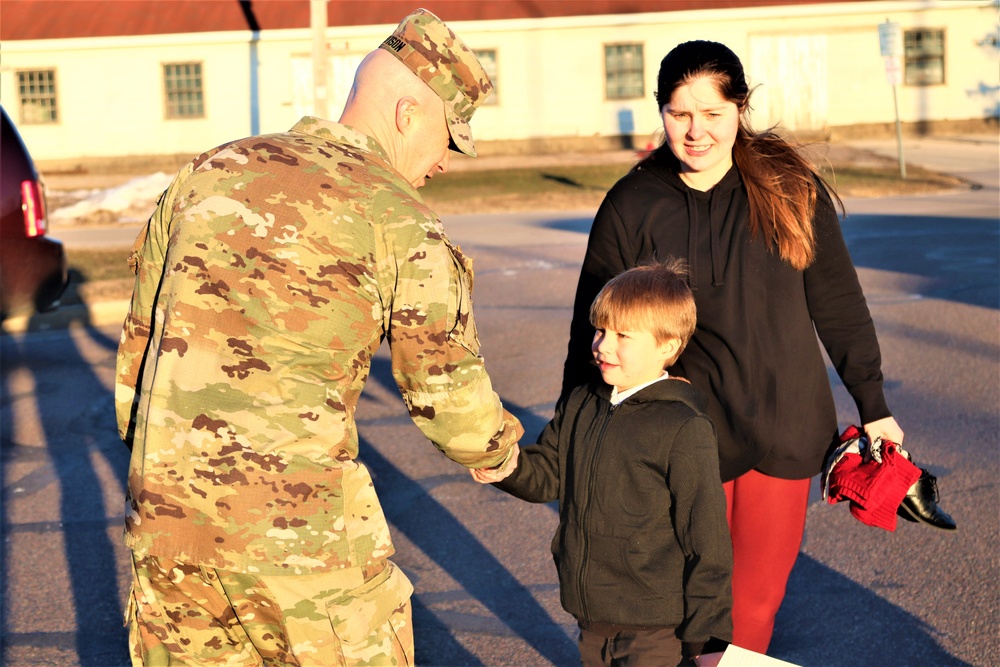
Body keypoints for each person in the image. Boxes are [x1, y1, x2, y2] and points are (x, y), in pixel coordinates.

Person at [115, 9, 521, 666]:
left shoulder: (209, 171)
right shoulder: (398, 216)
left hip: (170, 534)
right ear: (408, 114)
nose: (445, 162)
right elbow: (449, 399)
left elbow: (138, 358)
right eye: (449, 138)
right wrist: (500, 449)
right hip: (301, 551)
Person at [560, 40, 905, 655]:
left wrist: (873, 402)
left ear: (739, 109)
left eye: (712, 114)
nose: (695, 132)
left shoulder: (790, 190)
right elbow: (591, 327)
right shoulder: (632, 205)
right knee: (683, 596)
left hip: (785, 422)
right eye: (679, 114)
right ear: (660, 110)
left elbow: (839, 304)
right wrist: (572, 429)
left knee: (752, 604)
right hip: (680, 430)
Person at [475, 259, 733, 667]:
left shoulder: (683, 428)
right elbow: (548, 474)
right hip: (591, 617)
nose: (602, 345)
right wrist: (509, 468)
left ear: (667, 345)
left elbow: (708, 541)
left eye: (622, 335)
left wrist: (710, 637)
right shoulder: (582, 402)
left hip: (657, 628)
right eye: (600, 330)